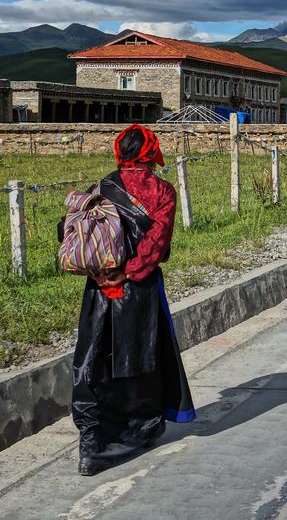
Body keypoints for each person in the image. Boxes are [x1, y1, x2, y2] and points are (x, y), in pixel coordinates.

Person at [68, 124, 196, 476]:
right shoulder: (162, 192)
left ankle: (93, 440)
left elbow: (80, 233)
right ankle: (136, 429)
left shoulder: (101, 187)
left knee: (94, 357)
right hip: (138, 290)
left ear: (120, 152)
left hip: (99, 288)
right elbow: (156, 243)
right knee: (139, 358)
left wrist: (102, 273)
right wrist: (129, 271)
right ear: (150, 152)